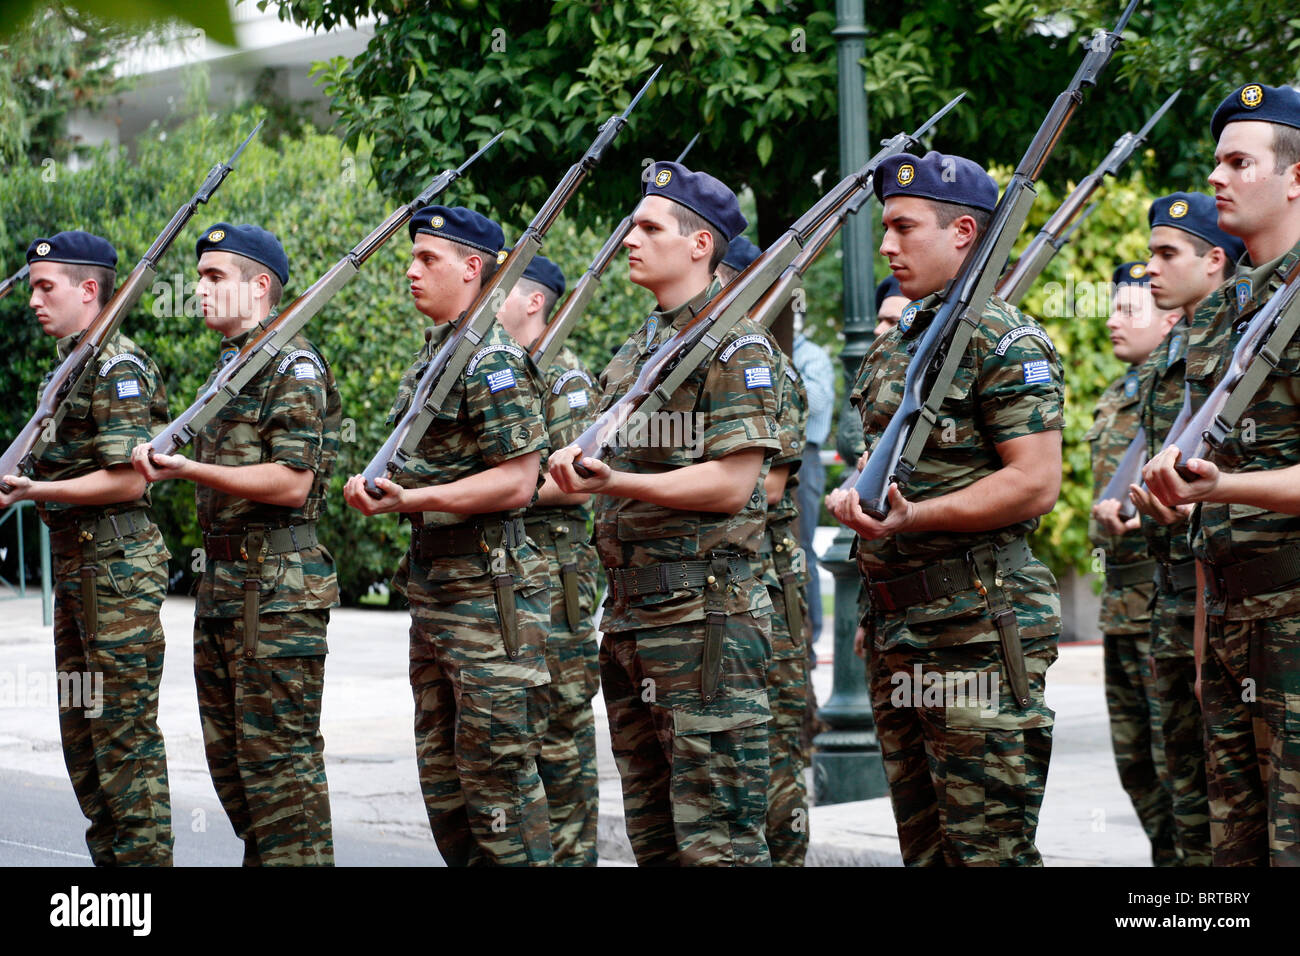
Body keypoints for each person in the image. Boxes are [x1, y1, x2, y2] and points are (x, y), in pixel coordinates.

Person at [828, 150, 1065, 866]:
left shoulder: (1003, 339)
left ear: (963, 232)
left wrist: (915, 517)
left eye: (904, 228)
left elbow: (1035, 483)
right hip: (901, 626)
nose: (888, 247)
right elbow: (884, 466)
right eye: (884, 229)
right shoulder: (901, 344)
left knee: (986, 849)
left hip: (976, 633)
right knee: (924, 849)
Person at [548, 161, 782, 866]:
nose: (630, 239)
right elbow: (590, 473)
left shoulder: (738, 348)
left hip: (704, 623)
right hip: (631, 619)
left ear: (700, 244)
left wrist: (615, 479)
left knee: (720, 847)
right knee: (656, 844)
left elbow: (735, 485)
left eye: (649, 227)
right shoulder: (636, 353)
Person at [341, 206, 554, 866]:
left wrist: (418, 499)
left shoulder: (492, 361)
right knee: (447, 790)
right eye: (411, 257)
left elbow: (519, 481)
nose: (411, 270)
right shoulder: (436, 357)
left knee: (499, 790)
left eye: (427, 259)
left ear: (472, 268)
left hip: (489, 603)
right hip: (436, 595)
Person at [132, 223, 340, 866]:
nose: (199, 288)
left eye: (215, 276)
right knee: (240, 781)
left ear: (259, 286)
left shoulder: (292, 364)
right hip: (226, 589)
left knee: (282, 782)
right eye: (198, 276)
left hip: (276, 594)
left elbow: (292, 480)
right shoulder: (230, 366)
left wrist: (190, 468)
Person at [1143, 82, 1300, 865]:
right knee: (1229, 859)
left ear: (1295, 179)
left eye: (1239, 162)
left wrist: (1220, 488)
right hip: (1231, 623)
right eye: (1217, 162)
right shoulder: (1230, 310)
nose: (1217, 178)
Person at [0, 231, 172, 866]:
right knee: (86, 748)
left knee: (124, 745)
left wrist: (31, 489)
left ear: (90, 290)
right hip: (80, 572)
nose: (34, 301)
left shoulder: (118, 366)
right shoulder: (68, 365)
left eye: (47, 288)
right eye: (32, 288)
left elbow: (131, 475)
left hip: (115, 573)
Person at [1113, 193, 1244, 866]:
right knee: (1179, 793)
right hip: (1171, 597)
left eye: (1166, 254)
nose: (1150, 269)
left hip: (1225, 597)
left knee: (1231, 806)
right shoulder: (1172, 362)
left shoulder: (1237, 346)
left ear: (1213, 260)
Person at [495, 251, 601, 866]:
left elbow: (579, 476)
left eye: (501, 291)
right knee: (513, 734)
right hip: (507, 576)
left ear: (534, 301)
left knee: (559, 736)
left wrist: (506, 488)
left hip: (556, 579)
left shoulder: (565, 377)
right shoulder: (491, 370)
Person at [719, 236, 811, 865]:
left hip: (770, 589)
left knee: (775, 759)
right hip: (721, 589)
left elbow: (768, 483)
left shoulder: (771, 370)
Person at [1086, 260, 1181, 865]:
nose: (1114, 321)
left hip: (1160, 600)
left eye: (1130, 309)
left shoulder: (1180, 390)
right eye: (1114, 307)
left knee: (1177, 766)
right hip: (1119, 603)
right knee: (1137, 767)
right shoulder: (1118, 393)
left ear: (1170, 319)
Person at [792, 313, 834, 653]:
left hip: (804, 458)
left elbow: (816, 401)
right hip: (775, 454)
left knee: (801, 547)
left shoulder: (811, 356)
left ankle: (811, 632)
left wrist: (780, 370)